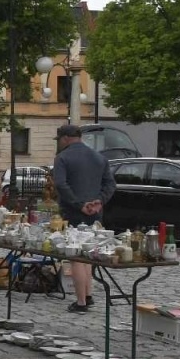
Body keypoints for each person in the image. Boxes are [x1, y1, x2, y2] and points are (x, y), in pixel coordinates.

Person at [52, 123, 116, 313]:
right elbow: (110, 184)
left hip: (73, 212)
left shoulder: (62, 157)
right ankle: (88, 295)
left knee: (76, 257)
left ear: (65, 139)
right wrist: (99, 201)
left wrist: (79, 204)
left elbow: (61, 185)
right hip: (96, 212)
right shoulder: (99, 157)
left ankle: (80, 302)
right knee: (89, 253)